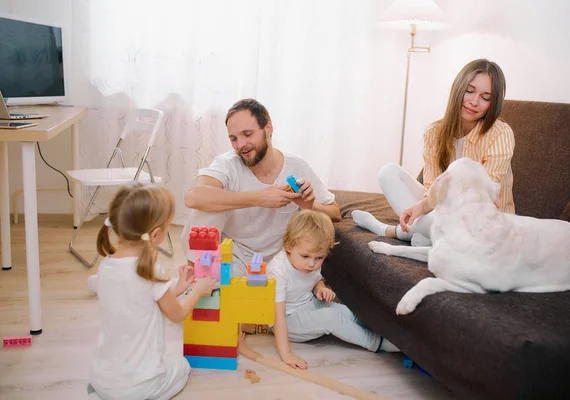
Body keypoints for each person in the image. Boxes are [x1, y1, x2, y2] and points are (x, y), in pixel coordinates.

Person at [352, 59, 515, 244]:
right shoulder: (434, 133)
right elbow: (431, 188)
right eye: (469, 91)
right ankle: (431, 238)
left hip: (482, 222)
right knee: (388, 173)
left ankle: (388, 230)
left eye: (485, 98)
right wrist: (425, 205)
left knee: (439, 210)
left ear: (492, 104)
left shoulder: (500, 134)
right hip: (444, 211)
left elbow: (482, 195)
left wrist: (425, 206)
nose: (474, 102)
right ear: (458, 88)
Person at [87, 183, 219, 400]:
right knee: (182, 366)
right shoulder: (148, 269)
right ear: (156, 234)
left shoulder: (106, 267)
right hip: (137, 385)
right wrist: (198, 290)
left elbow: (140, 300)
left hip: (101, 378)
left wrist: (178, 288)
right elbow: (176, 314)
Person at [182, 98, 341, 277]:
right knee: (207, 206)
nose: (241, 145)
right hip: (234, 256)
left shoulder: (297, 167)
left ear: (268, 129)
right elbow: (193, 197)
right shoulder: (227, 164)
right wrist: (260, 198)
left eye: (248, 134)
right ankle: (195, 275)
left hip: (279, 262)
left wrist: (309, 206)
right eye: (233, 138)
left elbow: (335, 213)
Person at [267, 209, 400, 370]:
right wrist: (286, 354)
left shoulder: (310, 261)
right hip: (287, 321)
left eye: (319, 258)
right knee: (329, 317)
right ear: (288, 246)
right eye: (305, 257)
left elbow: (314, 280)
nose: (312, 264)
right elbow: (277, 316)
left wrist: (320, 289)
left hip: (307, 305)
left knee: (345, 312)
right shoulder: (278, 271)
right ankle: (377, 342)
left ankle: (385, 330)